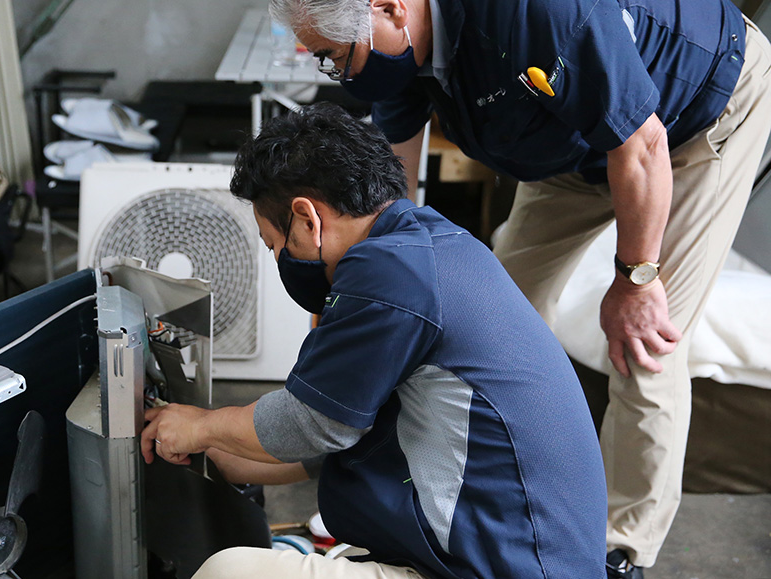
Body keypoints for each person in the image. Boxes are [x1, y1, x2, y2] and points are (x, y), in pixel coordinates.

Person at [270, 0, 771, 577]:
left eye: (336, 55)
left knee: (644, 341)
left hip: (687, 126)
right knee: (474, 319)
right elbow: (390, 177)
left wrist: (636, 278)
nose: (336, 71)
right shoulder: (404, 42)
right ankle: (416, 488)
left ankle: (618, 548)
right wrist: (365, 285)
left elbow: (641, 143)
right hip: (572, 145)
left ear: (389, 9)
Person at [141, 103, 607, 579]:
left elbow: (312, 424)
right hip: (527, 559)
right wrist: (214, 447)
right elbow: (339, 438)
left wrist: (202, 426)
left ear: (306, 218)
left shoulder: (387, 272)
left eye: (273, 244)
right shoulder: (432, 244)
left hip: (505, 568)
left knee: (230, 572)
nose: (280, 257)